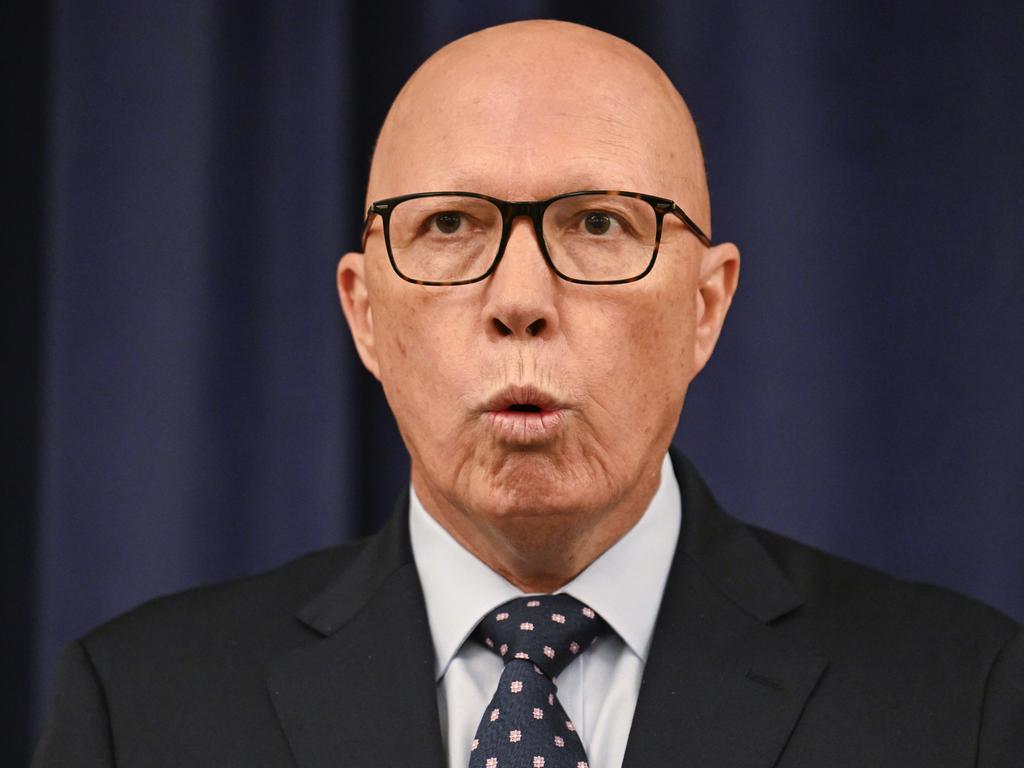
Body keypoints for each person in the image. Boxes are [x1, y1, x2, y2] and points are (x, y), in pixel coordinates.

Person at [33, 19, 1021, 768]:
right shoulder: (139, 710)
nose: (518, 300)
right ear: (365, 314)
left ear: (706, 308)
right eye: (450, 225)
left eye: (596, 224)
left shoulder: (963, 701)